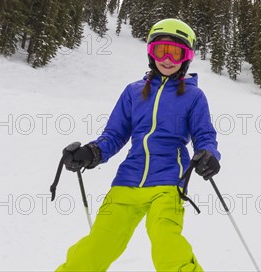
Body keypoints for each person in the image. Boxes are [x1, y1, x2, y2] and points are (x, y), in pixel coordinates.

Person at [56, 18, 220, 272]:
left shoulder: (193, 96)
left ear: (186, 57)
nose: (167, 58)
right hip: (126, 182)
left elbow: (204, 134)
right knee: (96, 247)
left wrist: (207, 154)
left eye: (175, 52)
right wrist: (92, 152)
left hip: (167, 183)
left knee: (167, 244)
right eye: (160, 50)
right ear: (150, 52)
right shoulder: (133, 92)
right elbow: (115, 133)